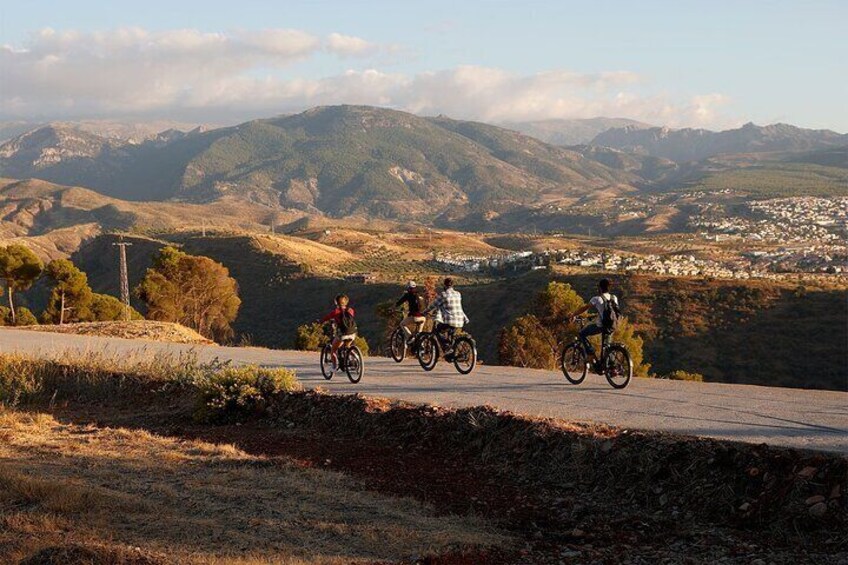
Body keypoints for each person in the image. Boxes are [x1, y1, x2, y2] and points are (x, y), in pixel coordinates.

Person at [567, 278, 620, 373]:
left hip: (601, 326)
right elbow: (611, 312)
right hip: (612, 325)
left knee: (582, 333)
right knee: (607, 346)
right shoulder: (614, 298)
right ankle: (612, 368)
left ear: (599, 288)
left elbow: (584, 308)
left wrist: (573, 315)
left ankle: (590, 353)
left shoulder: (597, 299)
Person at [425, 277, 469, 361]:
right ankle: (451, 353)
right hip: (460, 320)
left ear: (444, 285)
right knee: (450, 333)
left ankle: (447, 347)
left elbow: (433, 305)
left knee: (438, 330)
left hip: (450, 320)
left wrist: (424, 312)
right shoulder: (458, 294)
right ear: (452, 285)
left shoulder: (443, 294)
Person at [320, 294, 357, 370]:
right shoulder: (350, 310)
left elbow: (326, 318)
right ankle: (356, 357)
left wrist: (320, 321)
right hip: (353, 333)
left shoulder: (336, 312)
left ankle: (334, 366)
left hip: (342, 334)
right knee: (347, 346)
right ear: (346, 302)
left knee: (333, 350)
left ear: (336, 302)